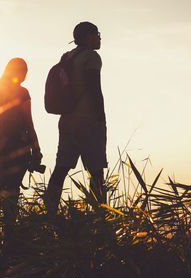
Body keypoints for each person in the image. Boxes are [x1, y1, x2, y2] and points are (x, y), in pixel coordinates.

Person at [44, 22, 107, 215]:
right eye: (96, 34)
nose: (99, 38)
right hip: (88, 121)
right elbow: (95, 89)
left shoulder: (69, 57)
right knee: (96, 171)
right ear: (88, 36)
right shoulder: (91, 57)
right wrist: (101, 118)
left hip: (67, 122)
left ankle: (50, 212)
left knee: (61, 167)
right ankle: (100, 215)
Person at [0, 58, 42, 235]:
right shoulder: (22, 92)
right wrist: (37, 149)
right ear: (20, 72)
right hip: (18, 146)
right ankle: (10, 231)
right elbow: (28, 122)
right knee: (12, 189)